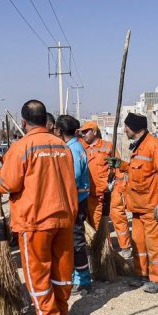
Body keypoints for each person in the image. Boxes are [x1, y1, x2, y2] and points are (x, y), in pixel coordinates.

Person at [0, 100, 77, 315]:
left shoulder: (22, 147)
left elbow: (8, 184)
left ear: (24, 121)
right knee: (61, 272)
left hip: (35, 221)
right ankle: (62, 312)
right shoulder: (62, 146)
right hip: (63, 218)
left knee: (37, 274)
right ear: (45, 120)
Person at [106, 113, 158, 293]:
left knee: (154, 246)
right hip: (137, 207)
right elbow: (137, 171)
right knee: (138, 244)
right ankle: (141, 274)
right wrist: (121, 165)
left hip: (151, 208)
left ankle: (157, 279)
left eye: (126, 126)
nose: (124, 129)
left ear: (134, 128)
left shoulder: (154, 146)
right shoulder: (139, 147)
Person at [79, 121, 132, 257]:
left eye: (86, 131)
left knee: (119, 218)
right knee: (97, 223)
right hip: (92, 194)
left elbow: (118, 168)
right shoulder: (81, 147)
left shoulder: (107, 147)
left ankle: (125, 247)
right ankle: (105, 250)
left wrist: (119, 188)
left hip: (111, 190)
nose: (83, 134)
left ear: (95, 132)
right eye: (82, 132)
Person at [55, 114, 92, 294]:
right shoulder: (75, 146)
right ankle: (75, 276)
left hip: (75, 201)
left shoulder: (72, 150)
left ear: (60, 131)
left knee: (77, 241)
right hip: (76, 200)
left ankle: (83, 279)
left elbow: (74, 176)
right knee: (72, 240)